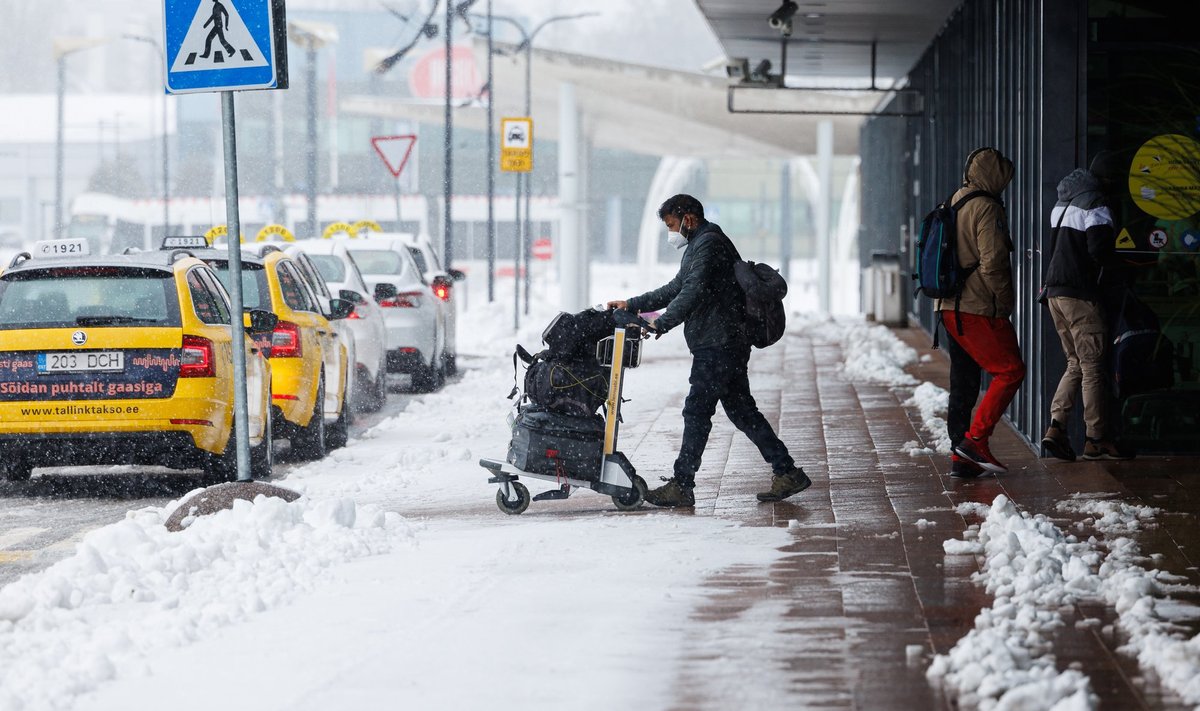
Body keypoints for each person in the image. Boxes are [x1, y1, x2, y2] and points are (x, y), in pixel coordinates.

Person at [606, 194, 809, 507]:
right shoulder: (699, 245)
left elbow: (692, 291)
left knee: (697, 410)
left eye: (672, 225)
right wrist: (633, 304)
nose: (671, 233)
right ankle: (787, 471)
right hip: (723, 342)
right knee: (742, 411)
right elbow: (676, 287)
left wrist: (662, 323)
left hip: (719, 344)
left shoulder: (709, 244)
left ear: (688, 218)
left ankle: (683, 483)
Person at [1040, 151, 1134, 461]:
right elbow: (1099, 250)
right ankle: (1096, 438)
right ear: (1109, 181)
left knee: (1075, 363)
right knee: (1093, 367)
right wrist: (1123, 269)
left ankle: (1056, 428)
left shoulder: (1064, 201)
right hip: (1080, 295)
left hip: (1056, 293)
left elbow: (1059, 249)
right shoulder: (1097, 202)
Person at [941, 147, 1026, 477]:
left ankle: (961, 457)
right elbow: (993, 264)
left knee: (964, 381)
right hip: (976, 308)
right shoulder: (987, 207)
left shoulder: (955, 200)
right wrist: (1005, 303)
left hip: (948, 306)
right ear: (994, 175)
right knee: (1010, 371)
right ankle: (974, 441)